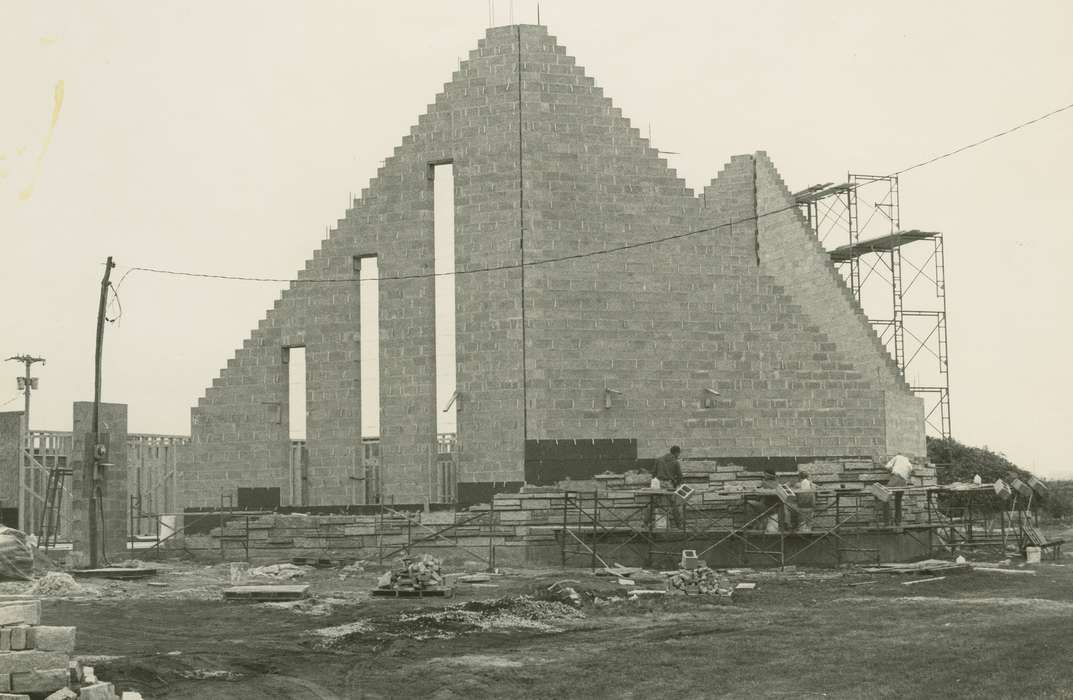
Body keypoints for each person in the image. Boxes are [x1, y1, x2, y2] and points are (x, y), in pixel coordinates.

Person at [650, 446, 684, 528]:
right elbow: (680, 476)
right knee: (674, 504)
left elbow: (653, 473)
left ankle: (646, 523)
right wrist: (676, 484)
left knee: (652, 503)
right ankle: (679, 524)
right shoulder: (675, 462)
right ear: (676, 453)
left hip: (658, 484)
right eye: (678, 454)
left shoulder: (659, 459)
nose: (678, 455)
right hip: (669, 485)